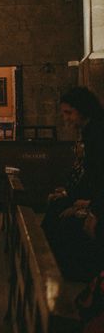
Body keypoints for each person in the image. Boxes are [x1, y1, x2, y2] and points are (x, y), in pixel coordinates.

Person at [42, 86, 104, 280]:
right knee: (56, 207)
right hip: (93, 198)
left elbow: (98, 175)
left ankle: (61, 273)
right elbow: (89, 174)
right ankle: (48, 267)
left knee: (62, 219)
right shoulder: (90, 130)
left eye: (69, 113)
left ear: (83, 109)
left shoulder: (97, 133)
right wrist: (69, 194)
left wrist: (92, 209)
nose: (66, 118)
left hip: (98, 201)